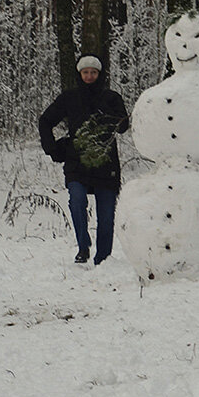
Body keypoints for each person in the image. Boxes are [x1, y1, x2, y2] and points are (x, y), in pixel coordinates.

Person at [38, 54, 130, 265]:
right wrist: (51, 148)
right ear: (80, 74)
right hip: (76, 160)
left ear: (100, 75)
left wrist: (116, 121)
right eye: (86, 72)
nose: (89, 76)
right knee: (77, 200)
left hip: (106, 163)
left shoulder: (111, 98)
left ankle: (103, 258)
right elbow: (45, 120)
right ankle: (83, 246)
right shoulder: (68, 98)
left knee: (106, 215)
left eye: (94, 72)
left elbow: (123, 126)